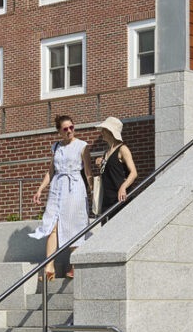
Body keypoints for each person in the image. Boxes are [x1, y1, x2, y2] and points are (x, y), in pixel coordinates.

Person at [30, 115, 93, 280]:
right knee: (52, 225)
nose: (70, 131)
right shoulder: (56, 147)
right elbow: (51, 171)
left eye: (72, 127)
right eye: (65, 129)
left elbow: (88, 171)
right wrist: (40, 189)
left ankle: (75, 264)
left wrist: (92, 190)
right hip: (57, 188)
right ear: (59, 131)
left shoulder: (82, 146)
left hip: (75, 188)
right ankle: (49, 266)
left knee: (74, 224)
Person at [94, 116, 138, 216]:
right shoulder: (107, 152)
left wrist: (123, 187)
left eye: (104, 130)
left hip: (120, 199)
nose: (101, 132)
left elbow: (134, 173)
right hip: (107, 201)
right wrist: (101, 165)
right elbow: (112, 172)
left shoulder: (123, 149)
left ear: (110, 131)